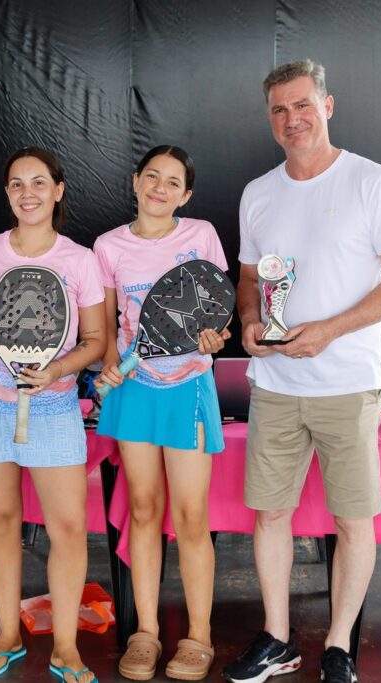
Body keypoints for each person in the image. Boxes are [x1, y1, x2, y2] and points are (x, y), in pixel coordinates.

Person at [222, 60, 381, 683]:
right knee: (270, 515)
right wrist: (250, 321)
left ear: (328, 105)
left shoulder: (373, 182)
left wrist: (331, 330)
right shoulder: (258, 193)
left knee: (353, 520)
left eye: (303, 104)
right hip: (276, 385)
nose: (293, 119)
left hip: (348, 384)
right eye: (280, 110)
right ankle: (277, 638)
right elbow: (249, 279)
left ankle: (338, 647)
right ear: (269, 118)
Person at [0, 147, 106, 683]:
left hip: (53, 405)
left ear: (58, 191)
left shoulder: (80, 260)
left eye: (39, 183)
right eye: (17, 184)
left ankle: (66, 648)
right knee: (1, 521)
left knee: (69, 528)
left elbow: (96, 341)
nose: (28, 193)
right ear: (7, 194)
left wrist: (56, 369)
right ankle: (7, 635)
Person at [93, 145, 230, 681]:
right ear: (135, 181)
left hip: (188, 389)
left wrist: (214, 338)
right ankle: (146, 632)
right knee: (144, 509)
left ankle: (199, 637)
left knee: (192, 517)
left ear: (185, 195)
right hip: (134, 391)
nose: (160, 188)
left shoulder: (201, 236)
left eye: (173, 182)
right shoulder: (108, 246)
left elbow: (215, 313)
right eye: (152, 176)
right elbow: (107, 328)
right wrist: (108, 366)